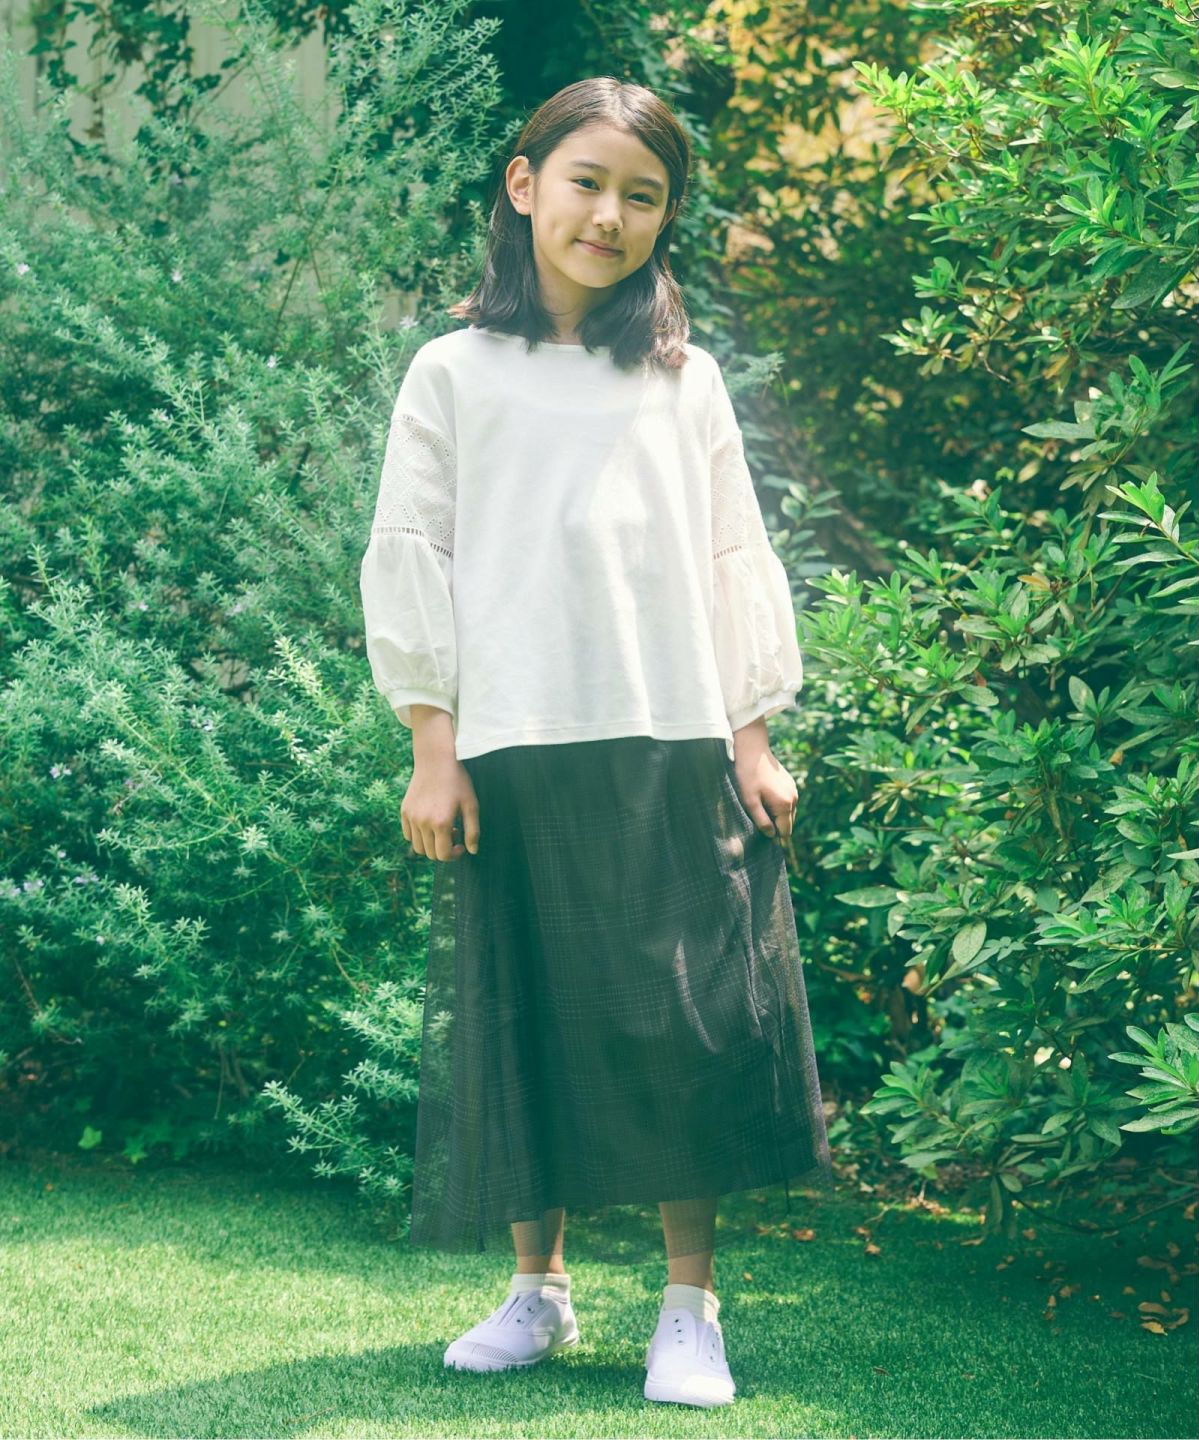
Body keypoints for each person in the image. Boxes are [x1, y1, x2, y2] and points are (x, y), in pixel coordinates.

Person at [358, 75, 834, 1410]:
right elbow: (414, 551)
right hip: (514, 738)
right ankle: (539, 1291)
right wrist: (432, 746)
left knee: (684, 1025)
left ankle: (690, 1311)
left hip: (672, 735)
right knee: (528, 1014)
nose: (609, 215)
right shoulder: (452, 371)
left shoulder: (684, 380)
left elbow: (732, 555)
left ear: (665, 218)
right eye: (586, 183)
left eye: (643, 196)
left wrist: (753, 737)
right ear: (524, 187)